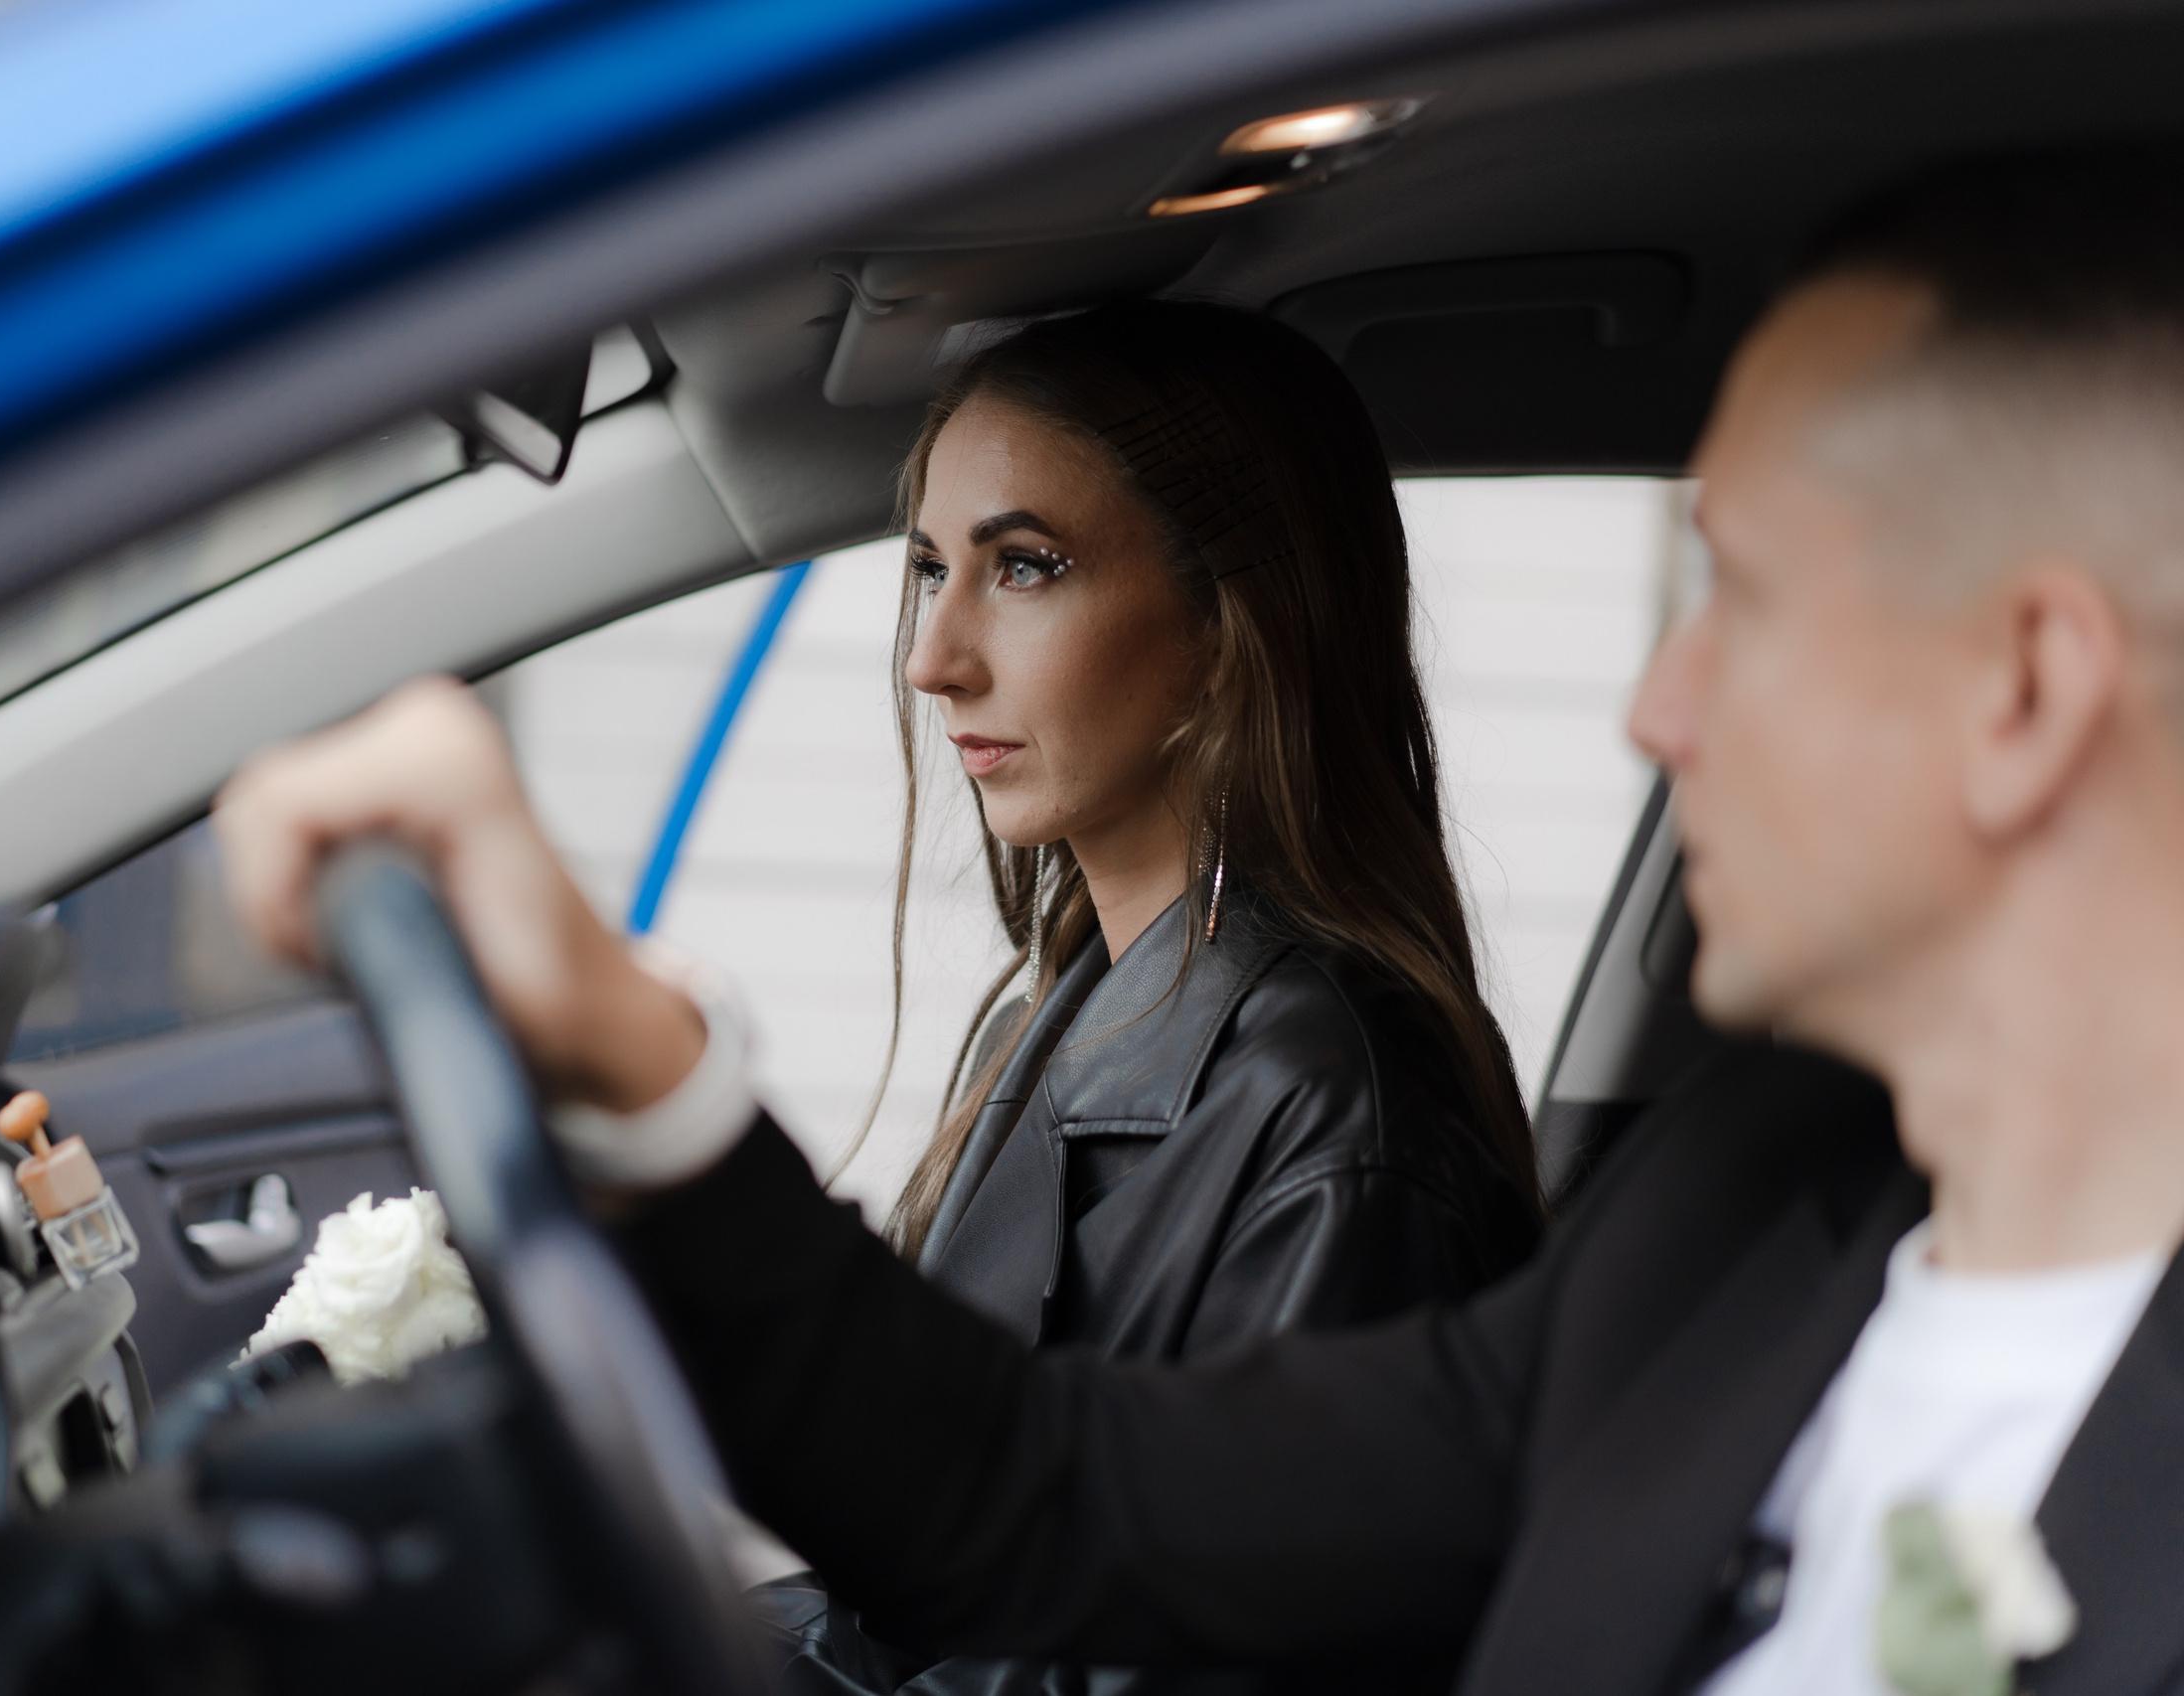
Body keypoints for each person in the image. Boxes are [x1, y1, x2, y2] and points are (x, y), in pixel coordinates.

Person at [217, 147, 2184, 1696]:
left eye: (1736, 598)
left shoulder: (1340, 1109)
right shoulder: (1717, 1235)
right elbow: (1036, 1486)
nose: (1649, 712)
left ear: (2020, 689)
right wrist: (633, 1072)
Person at [768, 301, 1542, 1696]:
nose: (932, 657)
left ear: (1229, 619)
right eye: (933, 569)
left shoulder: (1334, 1124)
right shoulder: (1055, 1012)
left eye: (1028, 567)